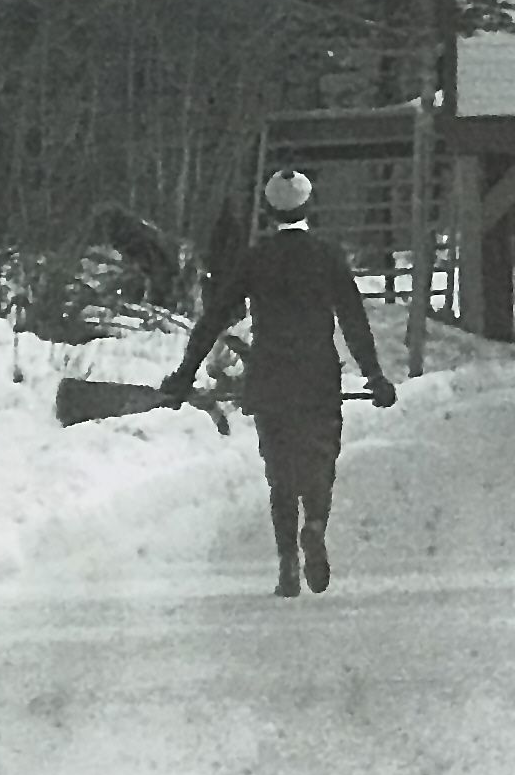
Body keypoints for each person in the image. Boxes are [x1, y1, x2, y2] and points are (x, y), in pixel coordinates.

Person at [162, 166, 395, 597]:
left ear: (268, 210)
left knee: (280, 472)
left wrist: (184, 374)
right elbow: (353, 321)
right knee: (320, 461)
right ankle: (317, 524)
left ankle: (287, 558)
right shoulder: (327, 256)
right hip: (317, 378)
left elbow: (214, 318)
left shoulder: (255, 259)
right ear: (311, 207)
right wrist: (374, 376)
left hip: (269, 378)